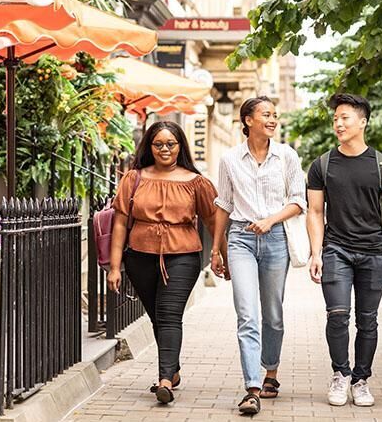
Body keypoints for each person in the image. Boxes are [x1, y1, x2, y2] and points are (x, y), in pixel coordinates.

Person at [306, 93, 382, 407]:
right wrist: (316, 252)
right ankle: (340, 374)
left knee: (368, 320)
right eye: (335, 119)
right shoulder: (322, 164)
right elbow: (315, 212)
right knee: (337, 316)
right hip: (336, 250)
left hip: (373, 252)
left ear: (363, 121)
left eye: (344, 117)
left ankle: (361, 380)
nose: (338, 124)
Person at [107, 121, 218, 405]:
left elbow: (213, 220)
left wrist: (220, 254)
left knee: (169, 314)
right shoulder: (133, 178)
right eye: (159, 144)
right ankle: (174, 369)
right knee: (158, 316)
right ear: (150, 146)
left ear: (180, 146)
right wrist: (115, 266)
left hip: (182, 256)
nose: (165, 149)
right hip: (139, 257)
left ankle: (165, 380)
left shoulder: (196, 182)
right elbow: (120, 223)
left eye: (171, 144)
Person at [211, 96, 306, 415]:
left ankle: (271, 372)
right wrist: (216, 249)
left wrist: (271, 220)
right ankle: (252, 387)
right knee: (247, 314)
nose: (273, 119)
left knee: (273, 314)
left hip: (276, 238)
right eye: (266, 114)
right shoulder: (229, 159)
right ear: (248, 120)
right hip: (240, 238)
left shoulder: (287, 157)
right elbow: (223, 204)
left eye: (275, 115)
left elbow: (298, 202)